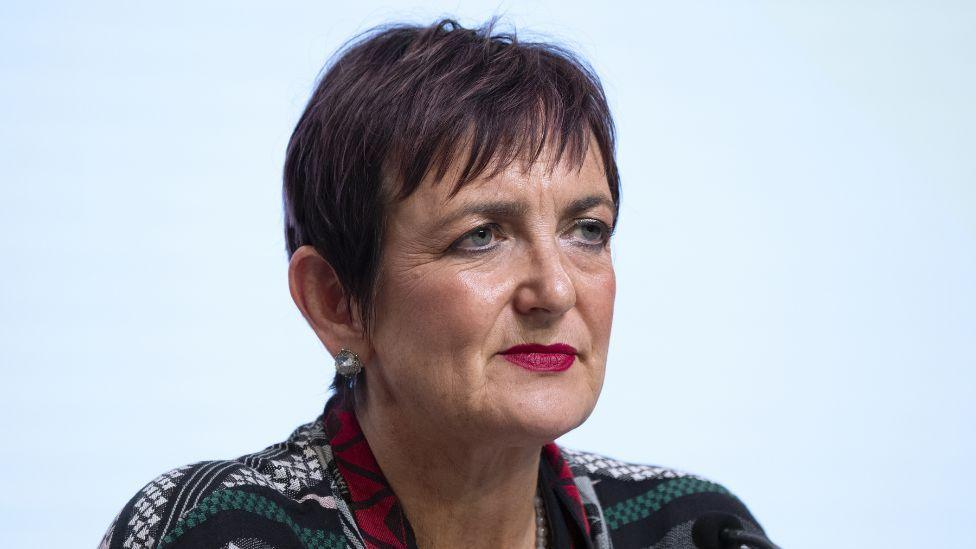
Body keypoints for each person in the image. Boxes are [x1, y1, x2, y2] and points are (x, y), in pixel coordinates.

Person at [100, 17, 775, 549]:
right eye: (481, 235)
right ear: (336, 302)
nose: (556, 290)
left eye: (587, 230)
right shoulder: (220, 529)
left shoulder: (692, 529)